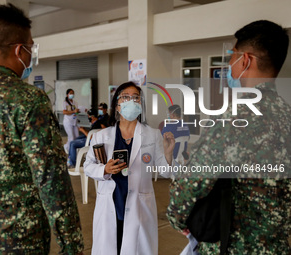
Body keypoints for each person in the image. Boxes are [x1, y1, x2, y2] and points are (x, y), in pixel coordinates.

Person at [0, 4, 83, 254]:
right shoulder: (29, 99)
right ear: (19, 49)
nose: (31, 52)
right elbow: (51, 179)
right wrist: (71, 245)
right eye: (30, 46)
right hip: (20, 243)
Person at [167, 20, 291, 254]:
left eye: (232, 56)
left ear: (246, 60)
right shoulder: (287, 117)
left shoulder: (232, 119)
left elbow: (191, 185)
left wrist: (179, 219)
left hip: (232, 246)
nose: (230, 65)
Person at [84, 81, 175, 255]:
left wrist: (169, 153)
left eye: (136, 98)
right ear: (117, 106)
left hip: (139, 207)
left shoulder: (153, 134)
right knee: (111, 247)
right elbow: (88, 166)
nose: (131, 101)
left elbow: (165, 171)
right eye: (126, 97)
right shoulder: (101, 136)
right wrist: (105, 170)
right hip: (111, 204)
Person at [63, 88, 80, 153]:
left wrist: (77, 111)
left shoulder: (75, 102)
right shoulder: (65, 102)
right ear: (67, 95)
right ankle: (70, 151)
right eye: (70, 93)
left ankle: (67, 146)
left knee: (77, 137)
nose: (72, 95)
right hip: (68, 122)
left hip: (74, 122)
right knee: (71, 137)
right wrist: (73, 111)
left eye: (73, 93)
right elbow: (64, 112)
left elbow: (75, 112)